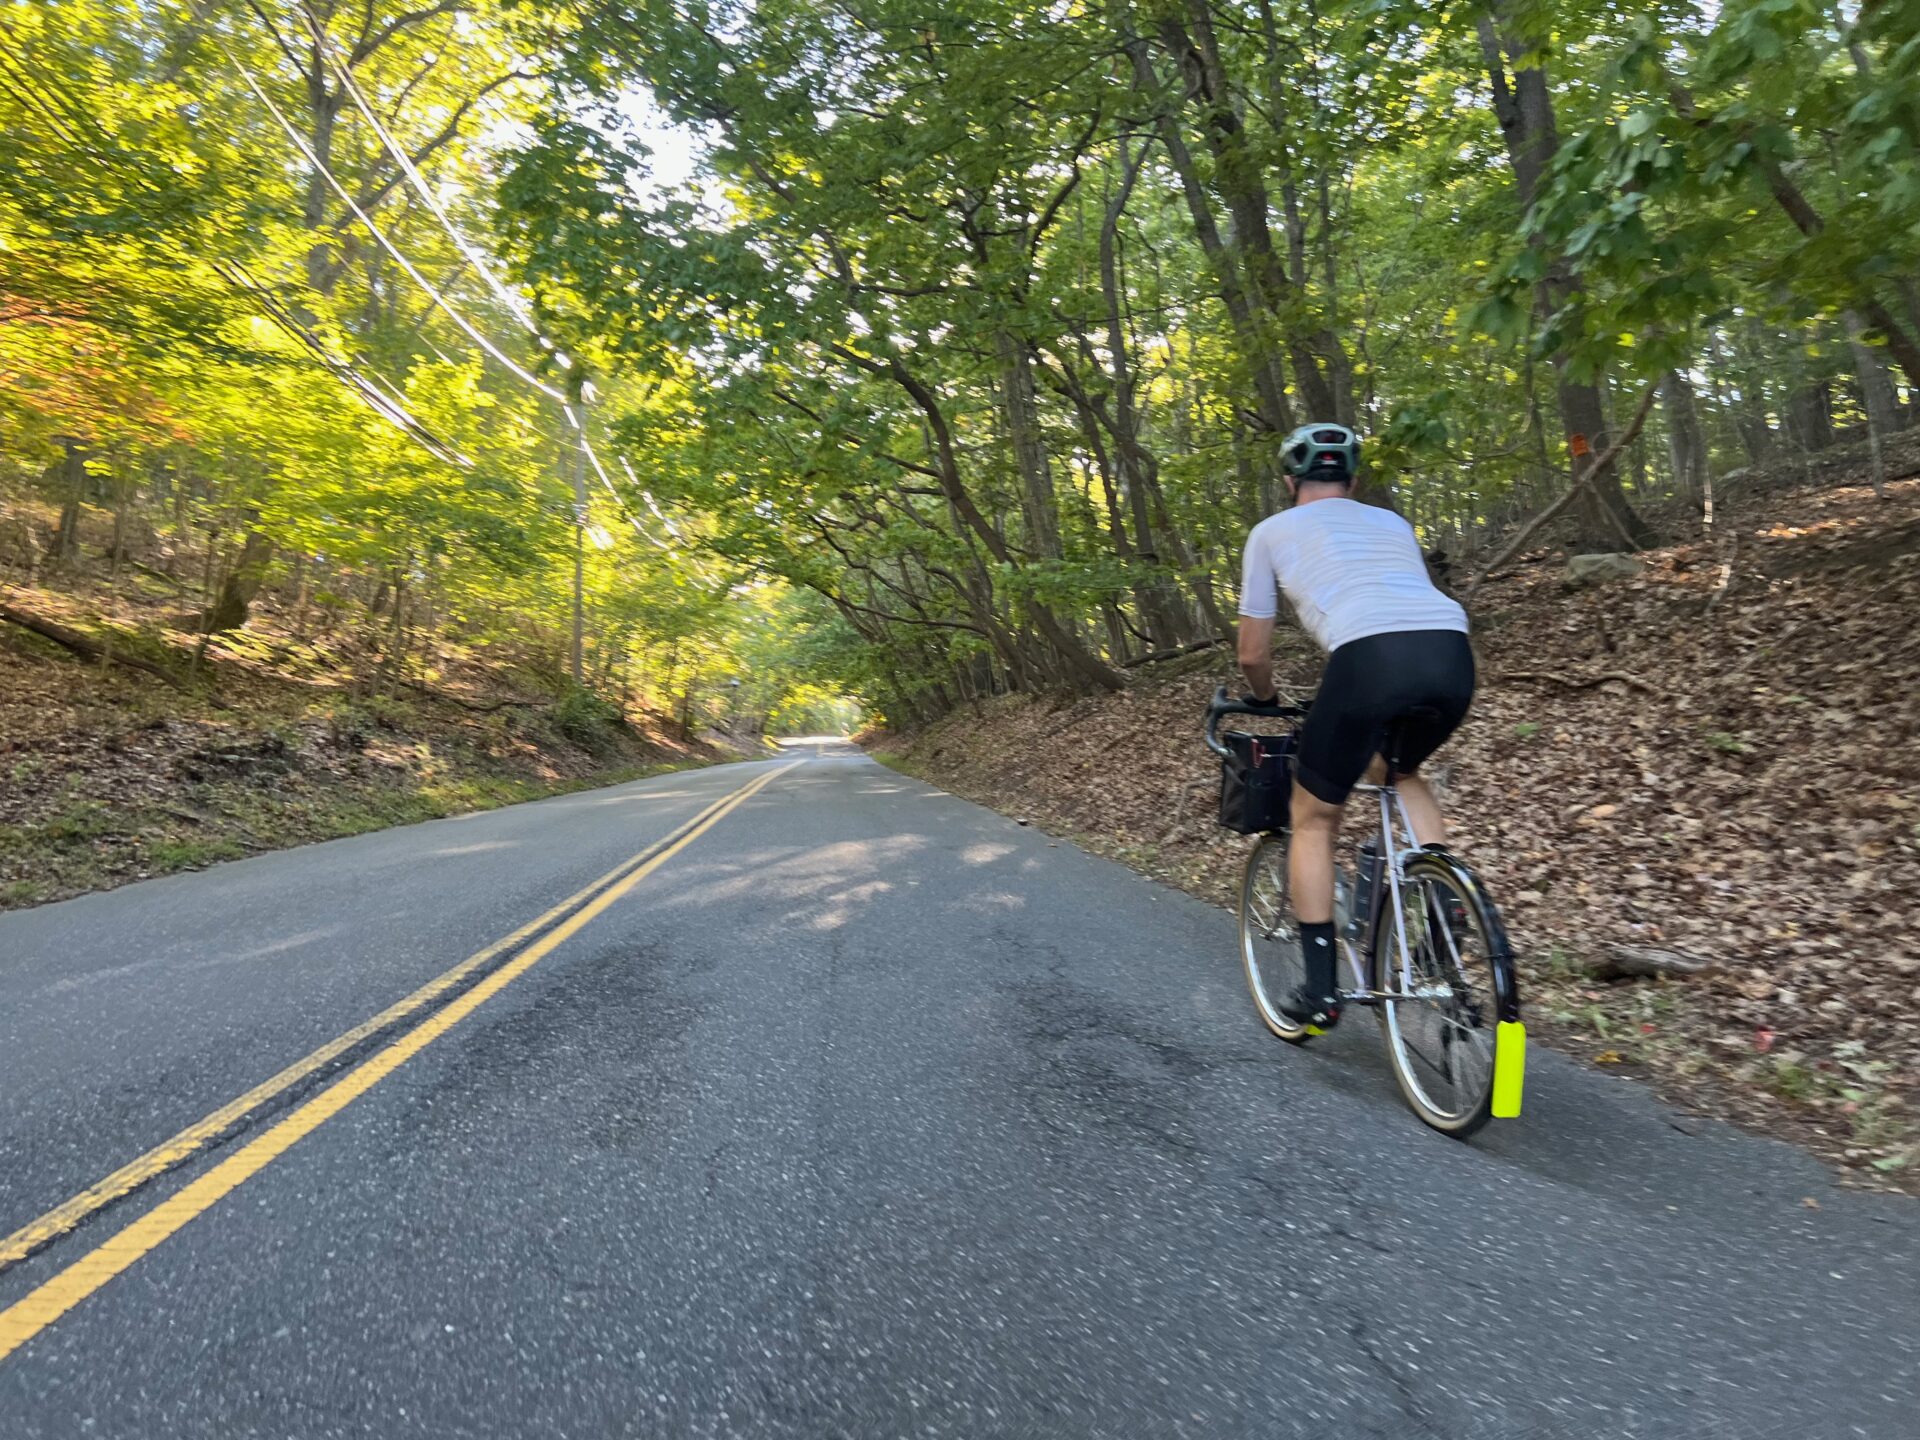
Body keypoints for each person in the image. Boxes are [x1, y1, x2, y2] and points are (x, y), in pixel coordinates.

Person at [1235, 422, 1474, 1030]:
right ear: (1354, 480)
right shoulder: (1392, 524)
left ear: (1290, 481)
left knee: (1313, 816)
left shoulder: (1269, 533)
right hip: (1451, 652)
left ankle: (1320, 993)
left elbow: (1252, 655)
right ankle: (1443, 900)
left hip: (1367, 659)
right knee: (1398, 768)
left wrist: (1265, 699)